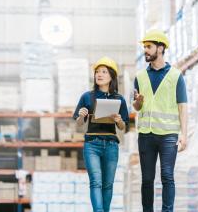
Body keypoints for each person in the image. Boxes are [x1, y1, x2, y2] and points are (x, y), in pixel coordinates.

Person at [132, 30, 188, 212]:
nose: (145, 51)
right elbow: (137, 106)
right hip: (146, 135)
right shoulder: (139, 76)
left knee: (167, 176)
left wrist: (184, 135)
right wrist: (138, 103)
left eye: (148, 47)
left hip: (168, 135)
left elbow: (182, 107)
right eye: (144, 47)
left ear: (161, 48)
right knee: (147, 179)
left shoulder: (176, 76)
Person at [73, 56, 129, 212]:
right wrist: (81, 116)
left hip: (111, 145)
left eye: (104, 72)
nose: (99, 74)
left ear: (111, 76)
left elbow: (123, 126)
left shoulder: (119, 99)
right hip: (92, 144)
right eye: (97, 72)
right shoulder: (87, 97)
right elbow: (78, 124)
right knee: (96, 182)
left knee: (108, 184)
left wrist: (118, 120)